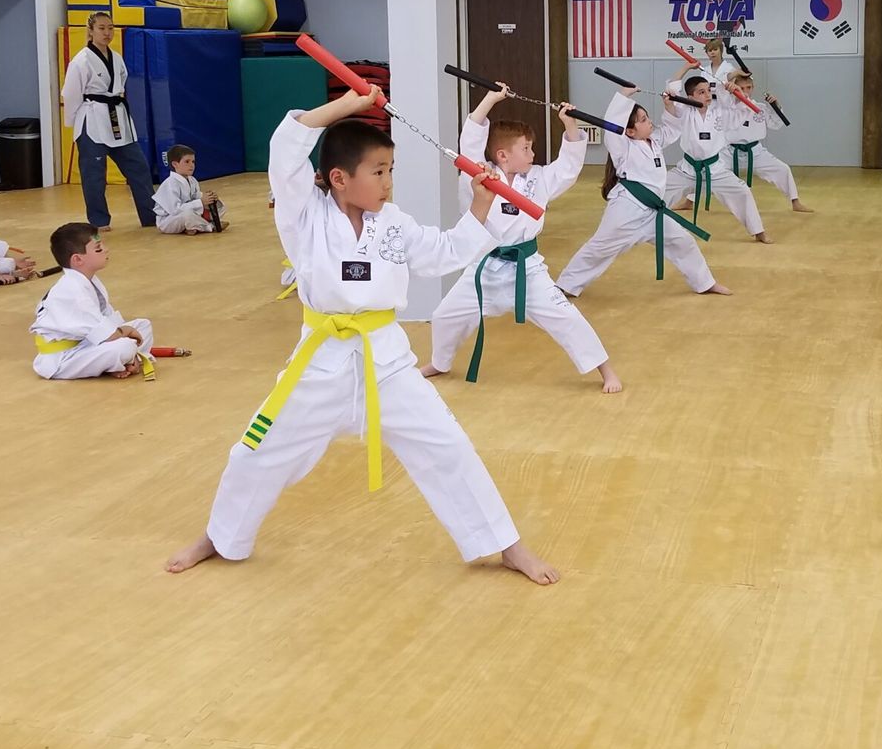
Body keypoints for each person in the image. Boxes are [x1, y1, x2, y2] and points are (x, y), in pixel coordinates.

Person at [165, 88, 558, 585]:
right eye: (379, 172)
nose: (389, 183)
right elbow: (286, 148)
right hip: (319, 363)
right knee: (255, 450)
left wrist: (479, 207)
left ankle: (505, 545)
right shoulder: (302, 214)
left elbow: (444, 253)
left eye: (390, 170)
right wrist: (349, 105)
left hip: (388, 362)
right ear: (338, 178)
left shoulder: (391, 223)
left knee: (448, 445)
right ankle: (220, 536)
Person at [422, 87, 621, 393]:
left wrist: (570, 124)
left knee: (566, 317)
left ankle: (605, 370)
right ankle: (440, 362)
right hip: (483, 269)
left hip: (527, 271)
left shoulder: (539, 179)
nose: (533, 154)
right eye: (526, 148)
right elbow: (471, 139)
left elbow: (567, 168)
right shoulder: (480, 176)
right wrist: (490, 99)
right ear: (502, 154)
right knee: (445, 315)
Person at [555, 85, 730, 298]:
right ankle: (565, 286)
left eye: (647, 118)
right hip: (627, 210)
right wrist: (623, 95)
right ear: (629, 131)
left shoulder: (653, 141)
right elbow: (613, 128)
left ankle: (705, 283)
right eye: (643, 120)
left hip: (653, 213)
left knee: (682, 242)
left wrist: (669, 106)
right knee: (600, 248)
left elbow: (672, 129)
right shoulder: (623, 147)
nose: (649, 122)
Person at [61, 13, 156, 232]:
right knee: (94, 174)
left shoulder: (116, 57)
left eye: (110, 28)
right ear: (91, 30)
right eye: (102, 28)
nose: (107, 33)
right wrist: (75, 125)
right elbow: (72, 94)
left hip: (116, 117)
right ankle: (98, 220)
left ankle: (151, 215)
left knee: (138, 167)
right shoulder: (81, 60)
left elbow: (121, 85)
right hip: (91, 119)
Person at [31, 223, 157, 380]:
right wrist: (126, 332)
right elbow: (107, 334)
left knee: (143, 325)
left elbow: (108, 321)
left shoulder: (89, 280)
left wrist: (125, 332)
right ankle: (123, 361)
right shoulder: (72, 289)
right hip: (64, 358)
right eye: (98, 248)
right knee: (125, 346)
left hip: (86, 344)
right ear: (77, 259)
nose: (106, 249)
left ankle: (125, 362)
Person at [664, 65, 768, 243]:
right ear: (690, 97)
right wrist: (686, 67)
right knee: (657, 190)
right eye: (701, 92)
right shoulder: (684, 111)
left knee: (743, 192)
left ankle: (758, 232)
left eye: (708, 91)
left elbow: (743, 110)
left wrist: (737, 93)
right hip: (687, 170)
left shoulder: (719, 113)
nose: (707, 95)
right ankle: (641, 226)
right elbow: (672, 91)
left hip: (716, 170)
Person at [719, 70, 813, 214]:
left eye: (748, 88)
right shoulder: (726, 108)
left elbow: (776, 124)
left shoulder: (760, 108)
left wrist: (775, 106)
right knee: (706, 170)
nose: (745, 92)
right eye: (742, 88)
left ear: (753, 88)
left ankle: (795, 202)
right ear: (735, 88)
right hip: (730, 151)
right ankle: (689, 201)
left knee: (783, 169)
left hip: (755, 152)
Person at [153, 146, 226, 234]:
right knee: (187, 215)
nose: (191, 165)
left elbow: (197, 196)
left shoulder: (192, 180)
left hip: (187, 213)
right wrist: (200, 202)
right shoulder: (170, 184)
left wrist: (210, 198)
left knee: (221, 206)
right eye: (187, 162)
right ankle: (210, 226)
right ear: (175, 164)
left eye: (193, 162)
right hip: (169, 221)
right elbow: (175, 210)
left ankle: (192, 227)